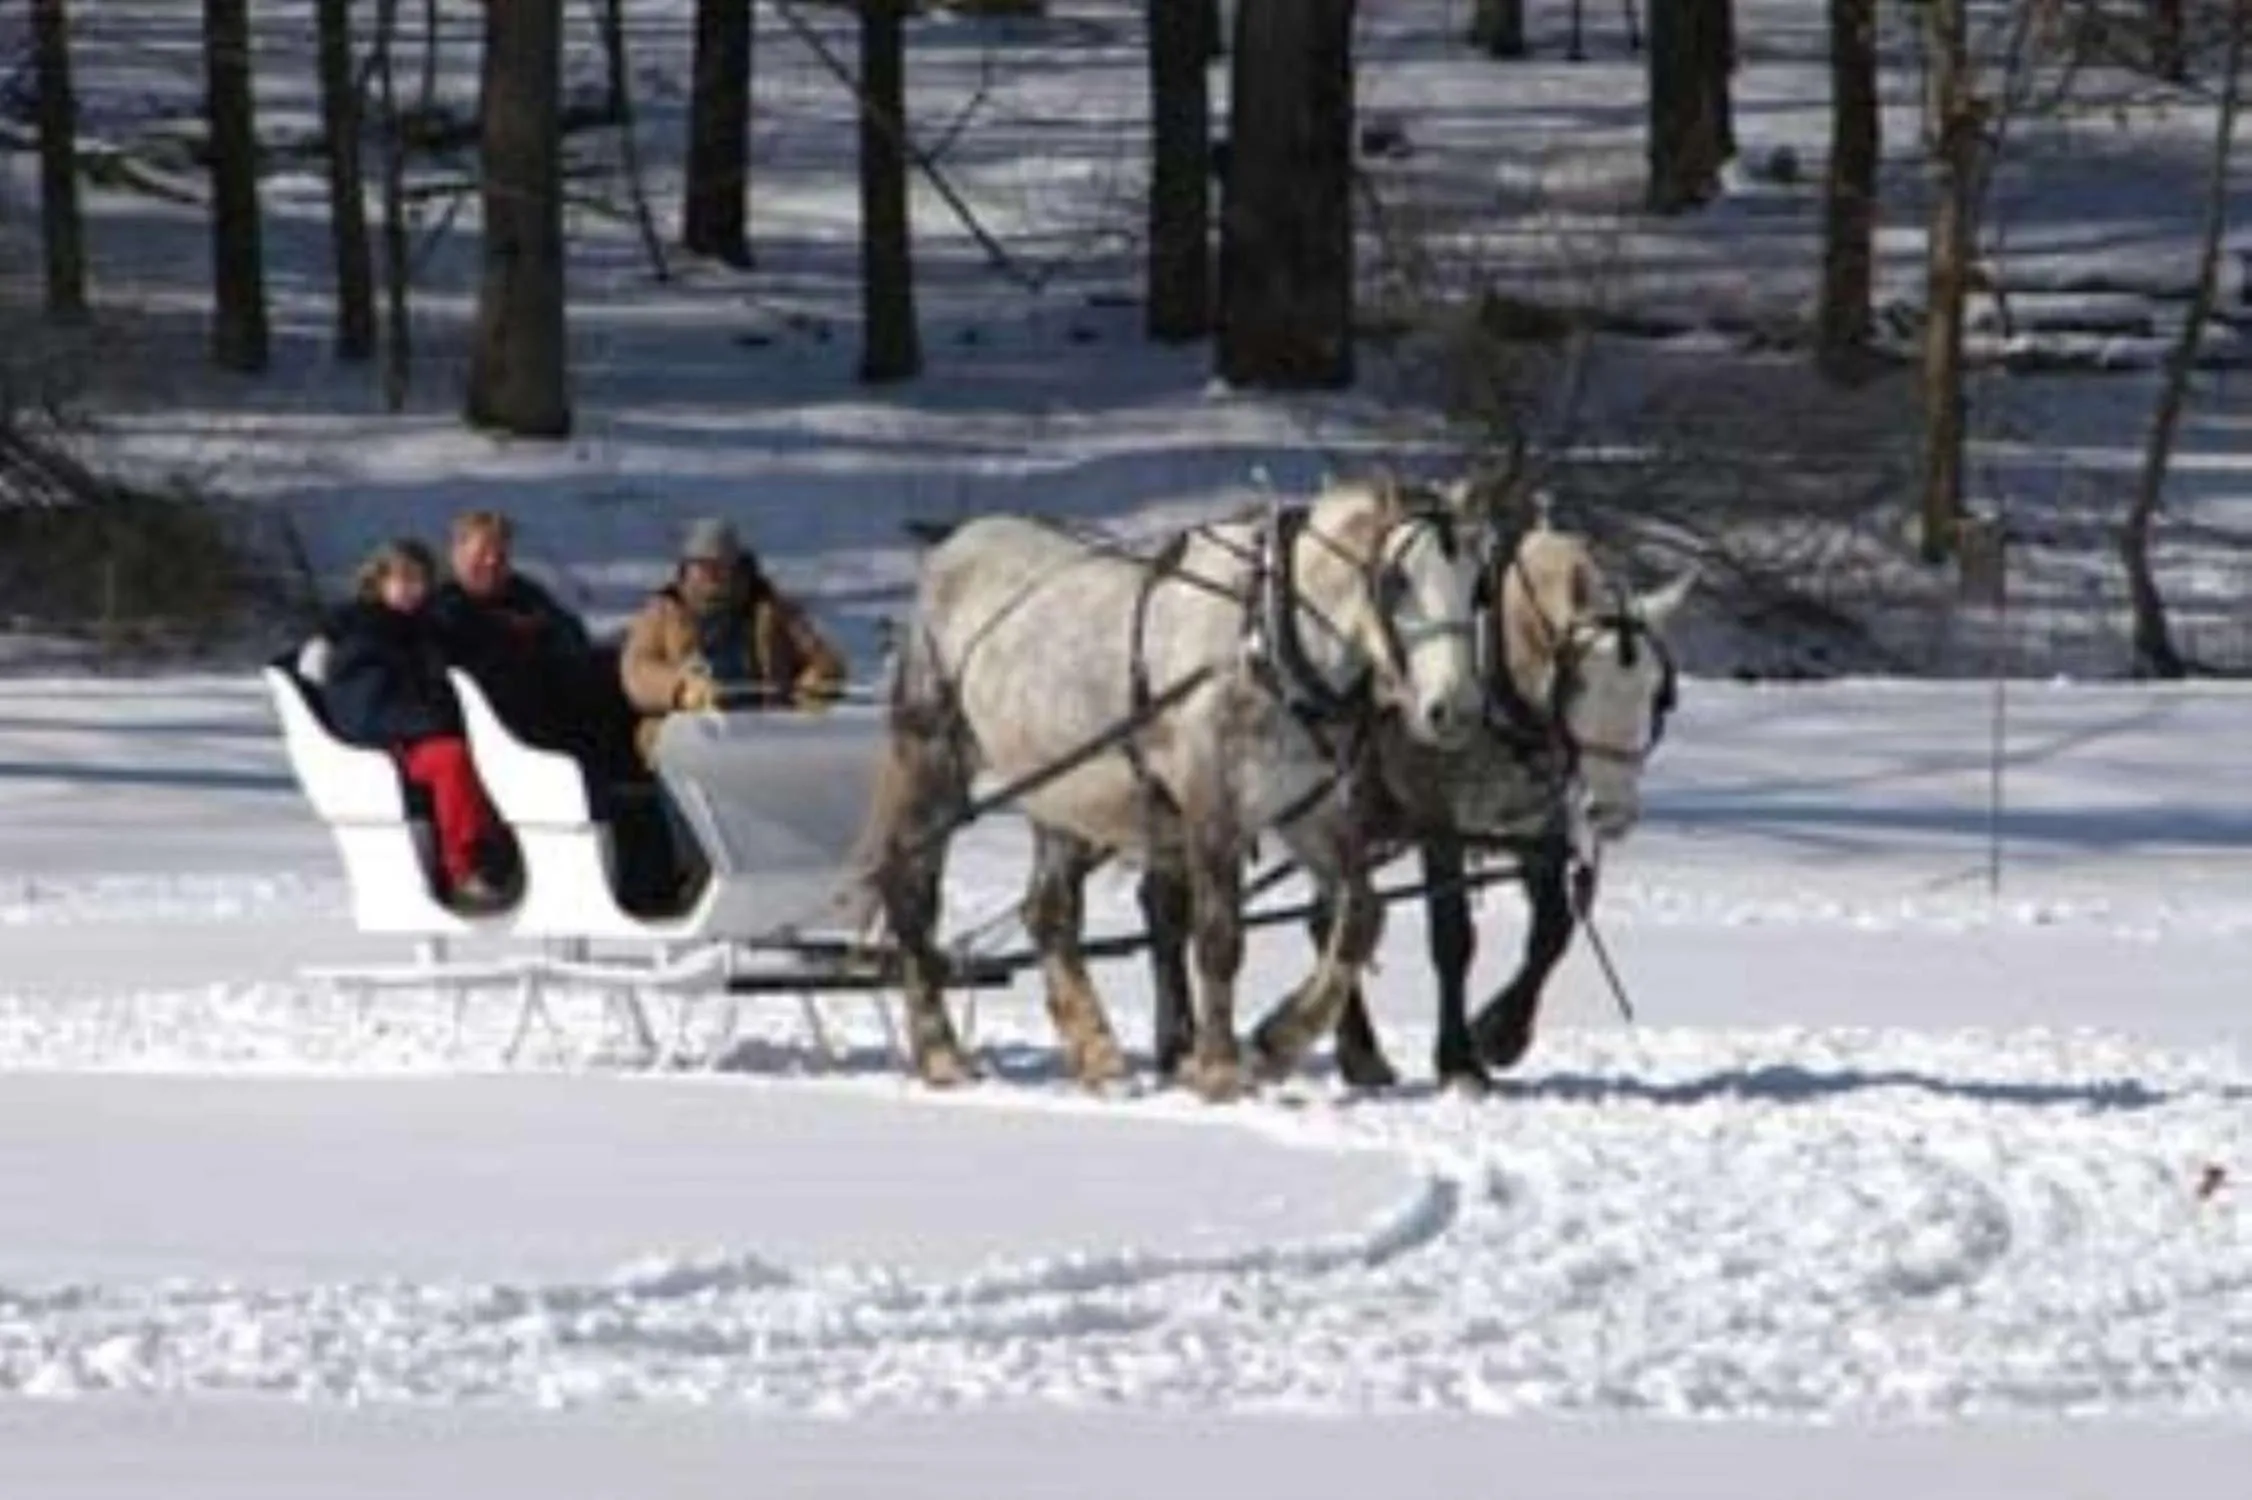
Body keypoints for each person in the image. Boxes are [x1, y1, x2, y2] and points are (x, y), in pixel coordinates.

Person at [322, 539, 513, 914]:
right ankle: (463, 869)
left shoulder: (434, 629)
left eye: (420, 580)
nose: (413, 589)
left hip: (436, 730)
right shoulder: (364, 635)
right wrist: (433, 720)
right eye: (402, 580)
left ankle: (506, 854)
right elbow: (366, 710)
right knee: (452, 759)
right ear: (379, 583)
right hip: (392, 747)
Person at [620, 517, 848, 765]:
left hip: (767, 730)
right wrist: (680, 689)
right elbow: (638, 670)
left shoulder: (770, 609)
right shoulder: (664, 612)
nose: (711, 576)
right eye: (702, 566)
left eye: (720, 566)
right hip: (690, 730)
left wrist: (815, 684)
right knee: (662, 742)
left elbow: (823, 658)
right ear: (686, 569)